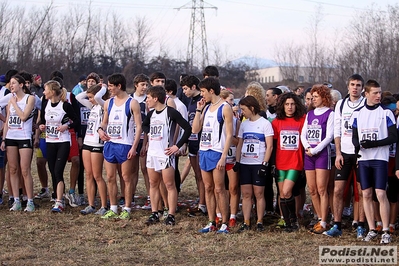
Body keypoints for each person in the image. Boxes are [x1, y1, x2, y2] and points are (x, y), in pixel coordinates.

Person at [352, 79, 396, 244]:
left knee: (381, 193)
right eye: (375, 93)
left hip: (380, 158)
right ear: (367, 94)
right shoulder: (358, 113)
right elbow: (355, 136)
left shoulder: (386, 113)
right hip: (364, 159)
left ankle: (385, 230)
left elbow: (393, 136)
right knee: (366, 194)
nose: (379, 96)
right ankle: (371, 229)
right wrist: (358, 146)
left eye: (380, 92)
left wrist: (374, 143)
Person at [323, 74, 366, 238]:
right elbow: (337, 130)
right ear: (348, 86)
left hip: (362, 154)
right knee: (338, 190)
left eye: (358, 85)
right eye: (353, 84)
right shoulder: (340, 105)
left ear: (362, 88)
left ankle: (361, 225)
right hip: (345, 153)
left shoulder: (365, 104)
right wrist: (339, 153)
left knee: (362, 191)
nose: (355, 88)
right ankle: (337, 225)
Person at [143, 86, 191, 226]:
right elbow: (144, 125)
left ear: (156, 98)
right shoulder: (151, 114)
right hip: (152, 153)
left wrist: (177, 145)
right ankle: (154, 212)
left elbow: (187, 128)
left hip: (166, 155)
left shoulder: (171, 112)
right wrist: (150, 134)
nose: (147, 101)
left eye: (149, 98)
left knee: (169, 184)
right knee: (153, 183)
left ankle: (171, 214)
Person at [98, 73, 142, 220]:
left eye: (111, 86)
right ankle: (113, 207)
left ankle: (127, 208)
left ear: (119, 86)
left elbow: (139, 126)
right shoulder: (108, 103)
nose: (109, 88)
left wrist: (134, 147)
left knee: (126, 178)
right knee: (110, 177)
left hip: (125, 144)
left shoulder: (132, 103)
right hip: (110, 144)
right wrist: (100, 129)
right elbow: (105, 122)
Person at [192, 77, 233, 234]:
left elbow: (229, 135)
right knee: (208, 187)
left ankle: (224, 222)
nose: (201, 95)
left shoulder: (225, 108)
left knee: (219, 188)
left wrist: (224, 156)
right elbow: (195, 130)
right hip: (204, 151)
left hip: (217, 152)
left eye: (203, 91)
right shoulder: (206, 107)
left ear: (211, 91)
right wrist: (198, 110)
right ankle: (211, 221)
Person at [39, 80, 79, 212]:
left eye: (45, 90)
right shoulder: (46, 104)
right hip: (50, 141)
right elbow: (44, 121)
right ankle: (58, 196)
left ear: (52, 91)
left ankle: (59, 202)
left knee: (58, 171)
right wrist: (42, 126)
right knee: (52, 171)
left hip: (63, 142)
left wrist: (66, 126)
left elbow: (77, 121)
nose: (43, 92)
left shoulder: (65, 106)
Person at [235, 95, 273, 232]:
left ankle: (259, 221)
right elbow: (240, 144)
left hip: (258, 163)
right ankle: (246, 221)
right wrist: (238, 161)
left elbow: (269, 146)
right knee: (246, 194)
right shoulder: (244, 124)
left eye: (244, 109)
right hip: (245, 163)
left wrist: (265, 164)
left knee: (259, 193)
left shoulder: (265, 123)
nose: (242, 112)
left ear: (252, 108)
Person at [301, 84, 334, 234]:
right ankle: (319, 218)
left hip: (321, 154)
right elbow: (303, 134)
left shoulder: (330, 113)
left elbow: (329, 136)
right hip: (309, 154)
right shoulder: (310, 114)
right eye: (312, 97)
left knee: (322, 189)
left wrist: (315, 149)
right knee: (312, 190)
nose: (313, 99)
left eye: (316, 97)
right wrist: (308, 147)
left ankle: (324, 220)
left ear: (323, 97)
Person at [272, 92, 306, 232]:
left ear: (296, 105)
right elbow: (273, 145)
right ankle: (287, 222)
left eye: (292, 104)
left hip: (295, 162)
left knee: (287, 191)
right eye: (287, 104)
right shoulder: (276, 122)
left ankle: (294, 220)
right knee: (282, 193)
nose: (290, 107)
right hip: (281, 162)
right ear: (282, 106)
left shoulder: (302, 120)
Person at [1, 75, 35, 211]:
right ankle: (16, 200)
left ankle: (30, 201)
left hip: (24, 137)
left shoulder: (29, 98)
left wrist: (15, 103)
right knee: (13, 169)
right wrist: (4, 139)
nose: (11, 85)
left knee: (25, 170)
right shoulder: (10, 100)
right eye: (10, 83)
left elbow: (23, 116)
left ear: (21, 85)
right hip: (11, 137)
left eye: (14, 83)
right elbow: (8, 121)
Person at [76, 83, 109, 215]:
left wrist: (103, 88)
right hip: (87, 142)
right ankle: (90, 204)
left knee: (97, 175)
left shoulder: (103, 105)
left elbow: (99, 97)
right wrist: (92, 89)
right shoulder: (93, 106)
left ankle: (103, 205)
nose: (89, 99)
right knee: (88, 175)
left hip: (97, 144)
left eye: (91, 97)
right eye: (88, 97)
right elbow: (79, 97)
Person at [180, 75, 207, 217]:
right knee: (197, 175)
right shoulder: (190, 101)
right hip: (192, 142)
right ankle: (202, 202)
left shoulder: (202, 101)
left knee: (202, 176)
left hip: (202, 142)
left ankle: (204, 204)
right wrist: (185, 142)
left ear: (193, 87)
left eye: (185, 88)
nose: (184, 91)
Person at [220, 88, 240, 227]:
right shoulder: (216, 115)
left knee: (233, 187)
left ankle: (232, 215)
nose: (233, 103)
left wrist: (229, 138)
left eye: (233, 100)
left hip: (231, 156)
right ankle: (219, 213)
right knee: (220, 188)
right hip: (219, 155)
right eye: (231, 100)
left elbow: (238, 141)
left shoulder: (236, 119)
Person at [130, 74, 151, 210]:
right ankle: (129, 197)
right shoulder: (130, 99)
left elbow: (147, 124)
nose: (144, 87)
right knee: (132, 170)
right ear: (136, 85)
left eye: (146, 85)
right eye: (142, 84)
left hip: (143, 138)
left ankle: (150, 197)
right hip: (130, 139)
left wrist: (145, 143)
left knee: (145, 169)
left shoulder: (147, 101)